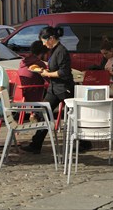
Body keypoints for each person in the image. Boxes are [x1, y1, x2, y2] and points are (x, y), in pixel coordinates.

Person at [21, 26, 74, 154]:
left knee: (73, 114)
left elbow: (64, 72)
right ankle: (36, 144)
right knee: (44, 112)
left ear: (51, 38)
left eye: (44, 41)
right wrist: (46, 71)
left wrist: (47, 74)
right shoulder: (55, 50)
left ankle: (83, 142)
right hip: (54, 88)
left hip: (63, 88)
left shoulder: (61, 51)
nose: (44, 44)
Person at [17, 40, 49, 121]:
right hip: (33, 94)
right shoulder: (39, 63)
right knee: (51, 90)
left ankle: (34, 114)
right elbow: (48, 80)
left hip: (20, 94)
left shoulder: (23, 62)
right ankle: (36, 114)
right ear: (43, 53)